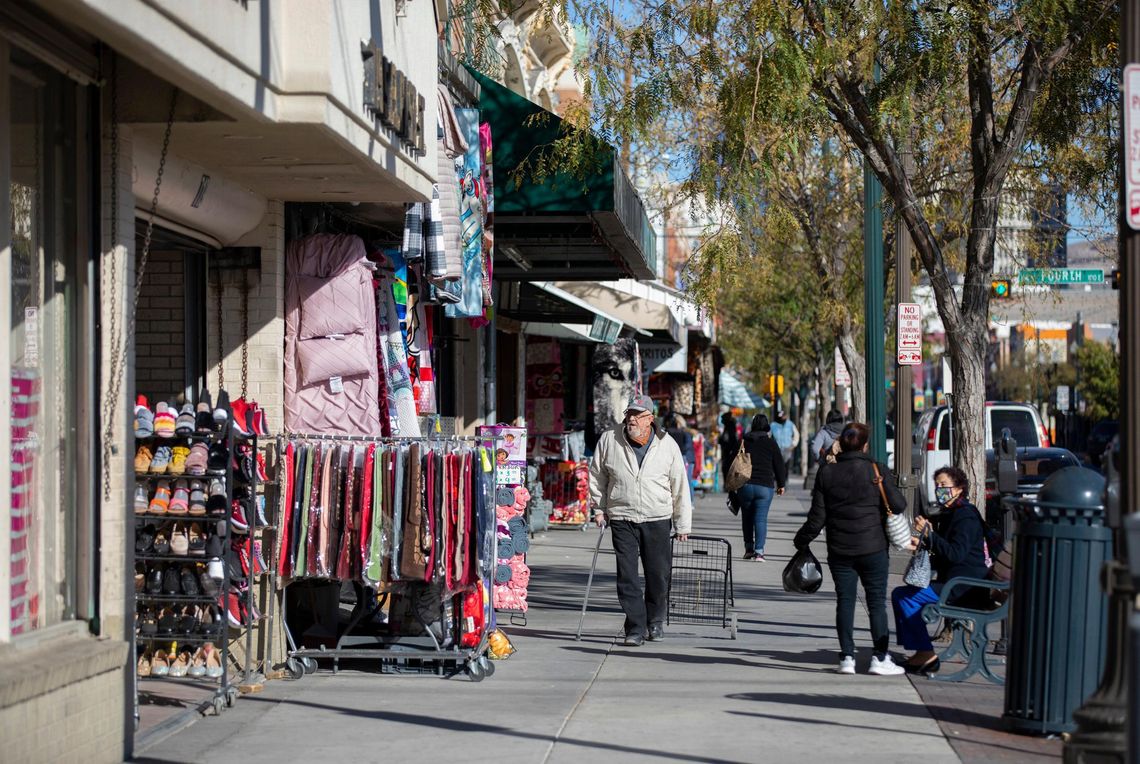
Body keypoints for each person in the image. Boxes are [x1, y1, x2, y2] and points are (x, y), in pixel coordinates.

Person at [793, 422, 908, 676]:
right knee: (876, 602)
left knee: (845, 601)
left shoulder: (827, 473)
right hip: (874, 548)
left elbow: (816, 518)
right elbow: (899, 504)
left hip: (840, 549)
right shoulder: (875, 469)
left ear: (840, 444)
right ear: (865, 444)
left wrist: (801, 540)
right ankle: (879, 657)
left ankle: (847, 657)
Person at [589, 393, 692, 646]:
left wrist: (682, 524)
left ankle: (654, 622)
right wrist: (599, 508)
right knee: (627, 576)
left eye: (637, 415)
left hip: (657, 516)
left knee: (658, 575)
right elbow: (597, 475)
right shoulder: (609, 439)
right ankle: (635, 627)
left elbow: (680, 485)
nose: (631, 419)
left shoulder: (667, 444)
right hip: (622, 515)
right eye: (629, 414)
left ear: (650, 419)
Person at [891, 466, 989, 675]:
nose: (939, 490)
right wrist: (922, 544)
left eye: (944, 485)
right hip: (956, 582)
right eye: (937, 486)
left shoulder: (966, 516)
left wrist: (929, 535)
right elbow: (945, 552)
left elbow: (956, 554)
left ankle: (925, 652)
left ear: (959, 488)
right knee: (901, 594)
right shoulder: (951, 513)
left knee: (904, 597)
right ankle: (921, 651)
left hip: (966, 587)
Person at [738, 414, 787, 561]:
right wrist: (781, 484)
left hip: (745, 485)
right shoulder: (770, 443)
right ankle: (759, 552)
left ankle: (748, 549)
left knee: (747, 517)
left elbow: (731, 460)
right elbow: (779, 464)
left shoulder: (743, 441)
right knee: (760, 519)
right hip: (764, 486)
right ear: (767, 427)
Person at [664, 413, 697, 498]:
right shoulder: (684, 432)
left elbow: (687, 446)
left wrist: (678, 452)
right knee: (685, 481)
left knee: (686, 481)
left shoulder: (684, 432)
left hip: (687, 459)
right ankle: (690, 500)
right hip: (687, 458)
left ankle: (690, 500)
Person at [770, 409, 800, 474]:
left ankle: (785, 480)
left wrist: (793, 445)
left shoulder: (790, 424)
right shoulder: (773, 425)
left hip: (787, 448)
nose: (782, 418)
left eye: (783, 416)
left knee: (786, 467)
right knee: (777, 466)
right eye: (781, 417)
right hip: (777, 449)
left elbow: (796, 435)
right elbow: (769, 436)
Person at [718, 412, 740, 490]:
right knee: (727, 468)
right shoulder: (728, 427)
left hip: (729, 452)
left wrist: (721, 440)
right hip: (729, 451)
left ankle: (729, 484)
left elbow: (729, 440)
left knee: (727, 468)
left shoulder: (730, 427)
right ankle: (728, 484)